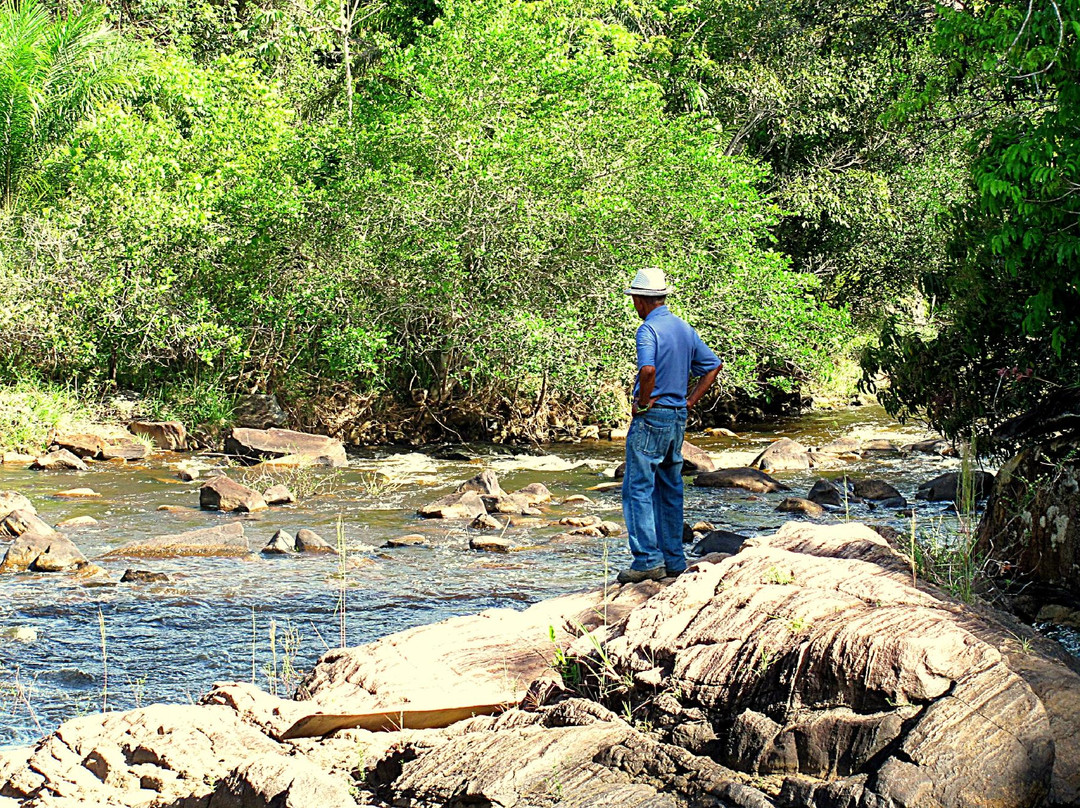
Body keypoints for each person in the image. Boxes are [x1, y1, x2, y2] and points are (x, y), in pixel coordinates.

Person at [617, 267, 721, 583]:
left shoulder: (648, 330)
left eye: (634, 298)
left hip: (653, 417)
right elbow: (713, 366)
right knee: (670, 487)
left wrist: (643, 402)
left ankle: (647, 560)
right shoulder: (683, 328)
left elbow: (647, 370)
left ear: (640, 299)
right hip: (677, 418)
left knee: (637, 488)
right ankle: (674, 560)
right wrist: (690, 401)